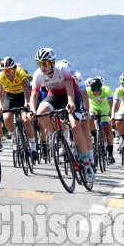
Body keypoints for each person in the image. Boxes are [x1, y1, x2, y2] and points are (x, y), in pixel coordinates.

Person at [29, 48, 96, 182]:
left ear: (53, 63)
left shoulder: (64, 69)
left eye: (46, 64)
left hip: (71, 94)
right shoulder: (38, 74)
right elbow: (34, 95)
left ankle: (87, 164)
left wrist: (73, 104)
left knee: (76, 126)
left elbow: (72, 89)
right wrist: (32, 110)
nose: (42, 67)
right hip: (54, 95)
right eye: (40, 64)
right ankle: (62, 137)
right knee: (41, 114)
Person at [0, 56, 37, 160]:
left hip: (22, 95)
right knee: (6, 118)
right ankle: (14, 136)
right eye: (4, 70)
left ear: (14, 68)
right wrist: (0, 106)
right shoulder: (1, 76)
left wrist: (27, 102)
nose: (7, 72)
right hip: (10, 96)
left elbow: (26, 89)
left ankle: (33, 147)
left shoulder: (20, 72)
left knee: (26, 120)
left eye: (9, 70)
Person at [85, 77, 115, 164]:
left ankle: (110, 154)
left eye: (98, 89)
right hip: (93, 107)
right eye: (93, 90)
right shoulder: (87, 90)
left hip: (105, 108)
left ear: (101, 88)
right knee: (91, 118)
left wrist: (110, 113)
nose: (95, 92)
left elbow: (111, 102)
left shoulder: (106, 90)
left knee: (107, 128)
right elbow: (84, 101)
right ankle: (94, 134)